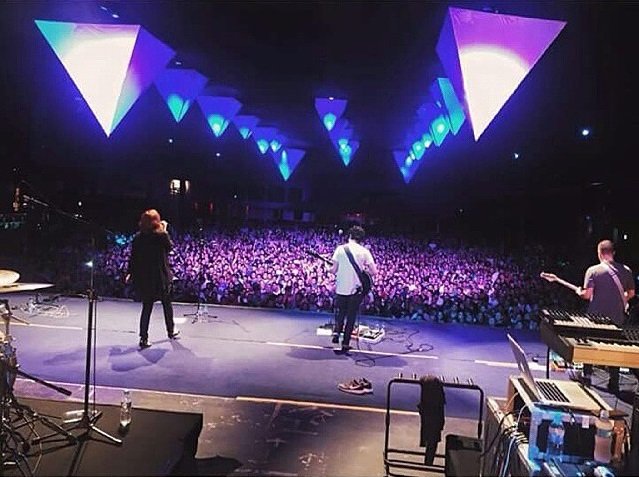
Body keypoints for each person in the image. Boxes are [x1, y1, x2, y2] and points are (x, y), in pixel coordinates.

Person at [577, 240, 635, 393]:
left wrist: (579, 292)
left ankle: (587, 376)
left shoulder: (593, 271)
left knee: (590, 345)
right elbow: (631, 293)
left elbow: (587, 294)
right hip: (616, 318)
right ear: (613, 253)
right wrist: (621, 299)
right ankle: (613, 382)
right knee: (614, 348)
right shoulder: (626, 270)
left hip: (595, 318)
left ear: (599, 253)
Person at [126, 209, 180, 349]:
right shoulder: (161, 236)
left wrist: (129, 272)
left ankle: (143, 338)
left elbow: (133, 257)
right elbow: (170, 248)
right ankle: (171, 330)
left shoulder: (138, 238)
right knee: (167, 304)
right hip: (161, 277)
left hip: (145, 278)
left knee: (147, 307)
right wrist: (164, 230)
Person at [329, 225, 377, 353]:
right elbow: (374, 272)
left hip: (341, 288)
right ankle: (345, 343)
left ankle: (337, 333)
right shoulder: (364, 251)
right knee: (351, 317)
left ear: (349, 235)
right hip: (356, 290)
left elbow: (333, 270)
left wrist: (327, 266)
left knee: (340, 312)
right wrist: (362, 271)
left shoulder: (340, 249)